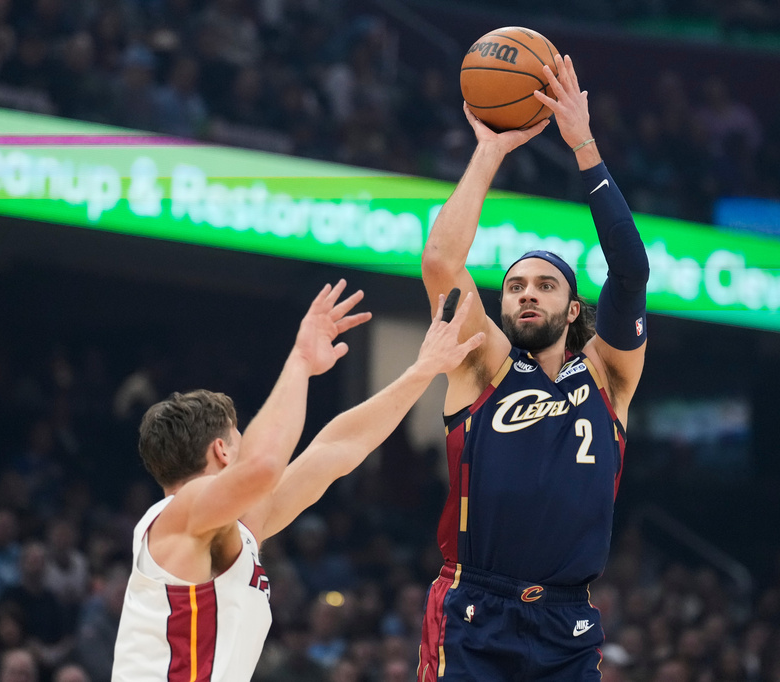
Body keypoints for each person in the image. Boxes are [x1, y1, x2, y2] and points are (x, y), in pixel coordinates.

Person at [111, 280, 483, 681]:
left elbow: (336, 449)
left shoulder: (229, 529)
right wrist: (301, 359)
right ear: (222, 451)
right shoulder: (179, 514)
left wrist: (422, 369)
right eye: (240, 439)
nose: (247, 448)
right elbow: (263, 466)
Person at [417, 54, 649, 680]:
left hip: (567, 624)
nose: (525, 293)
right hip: (473, 609)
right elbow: (441, 262)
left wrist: (584, 147)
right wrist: (489, 152)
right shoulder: (482, 365)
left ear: (574, 308)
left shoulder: (608, 376)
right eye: (515, 285)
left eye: (544, 286)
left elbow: (630, 272)